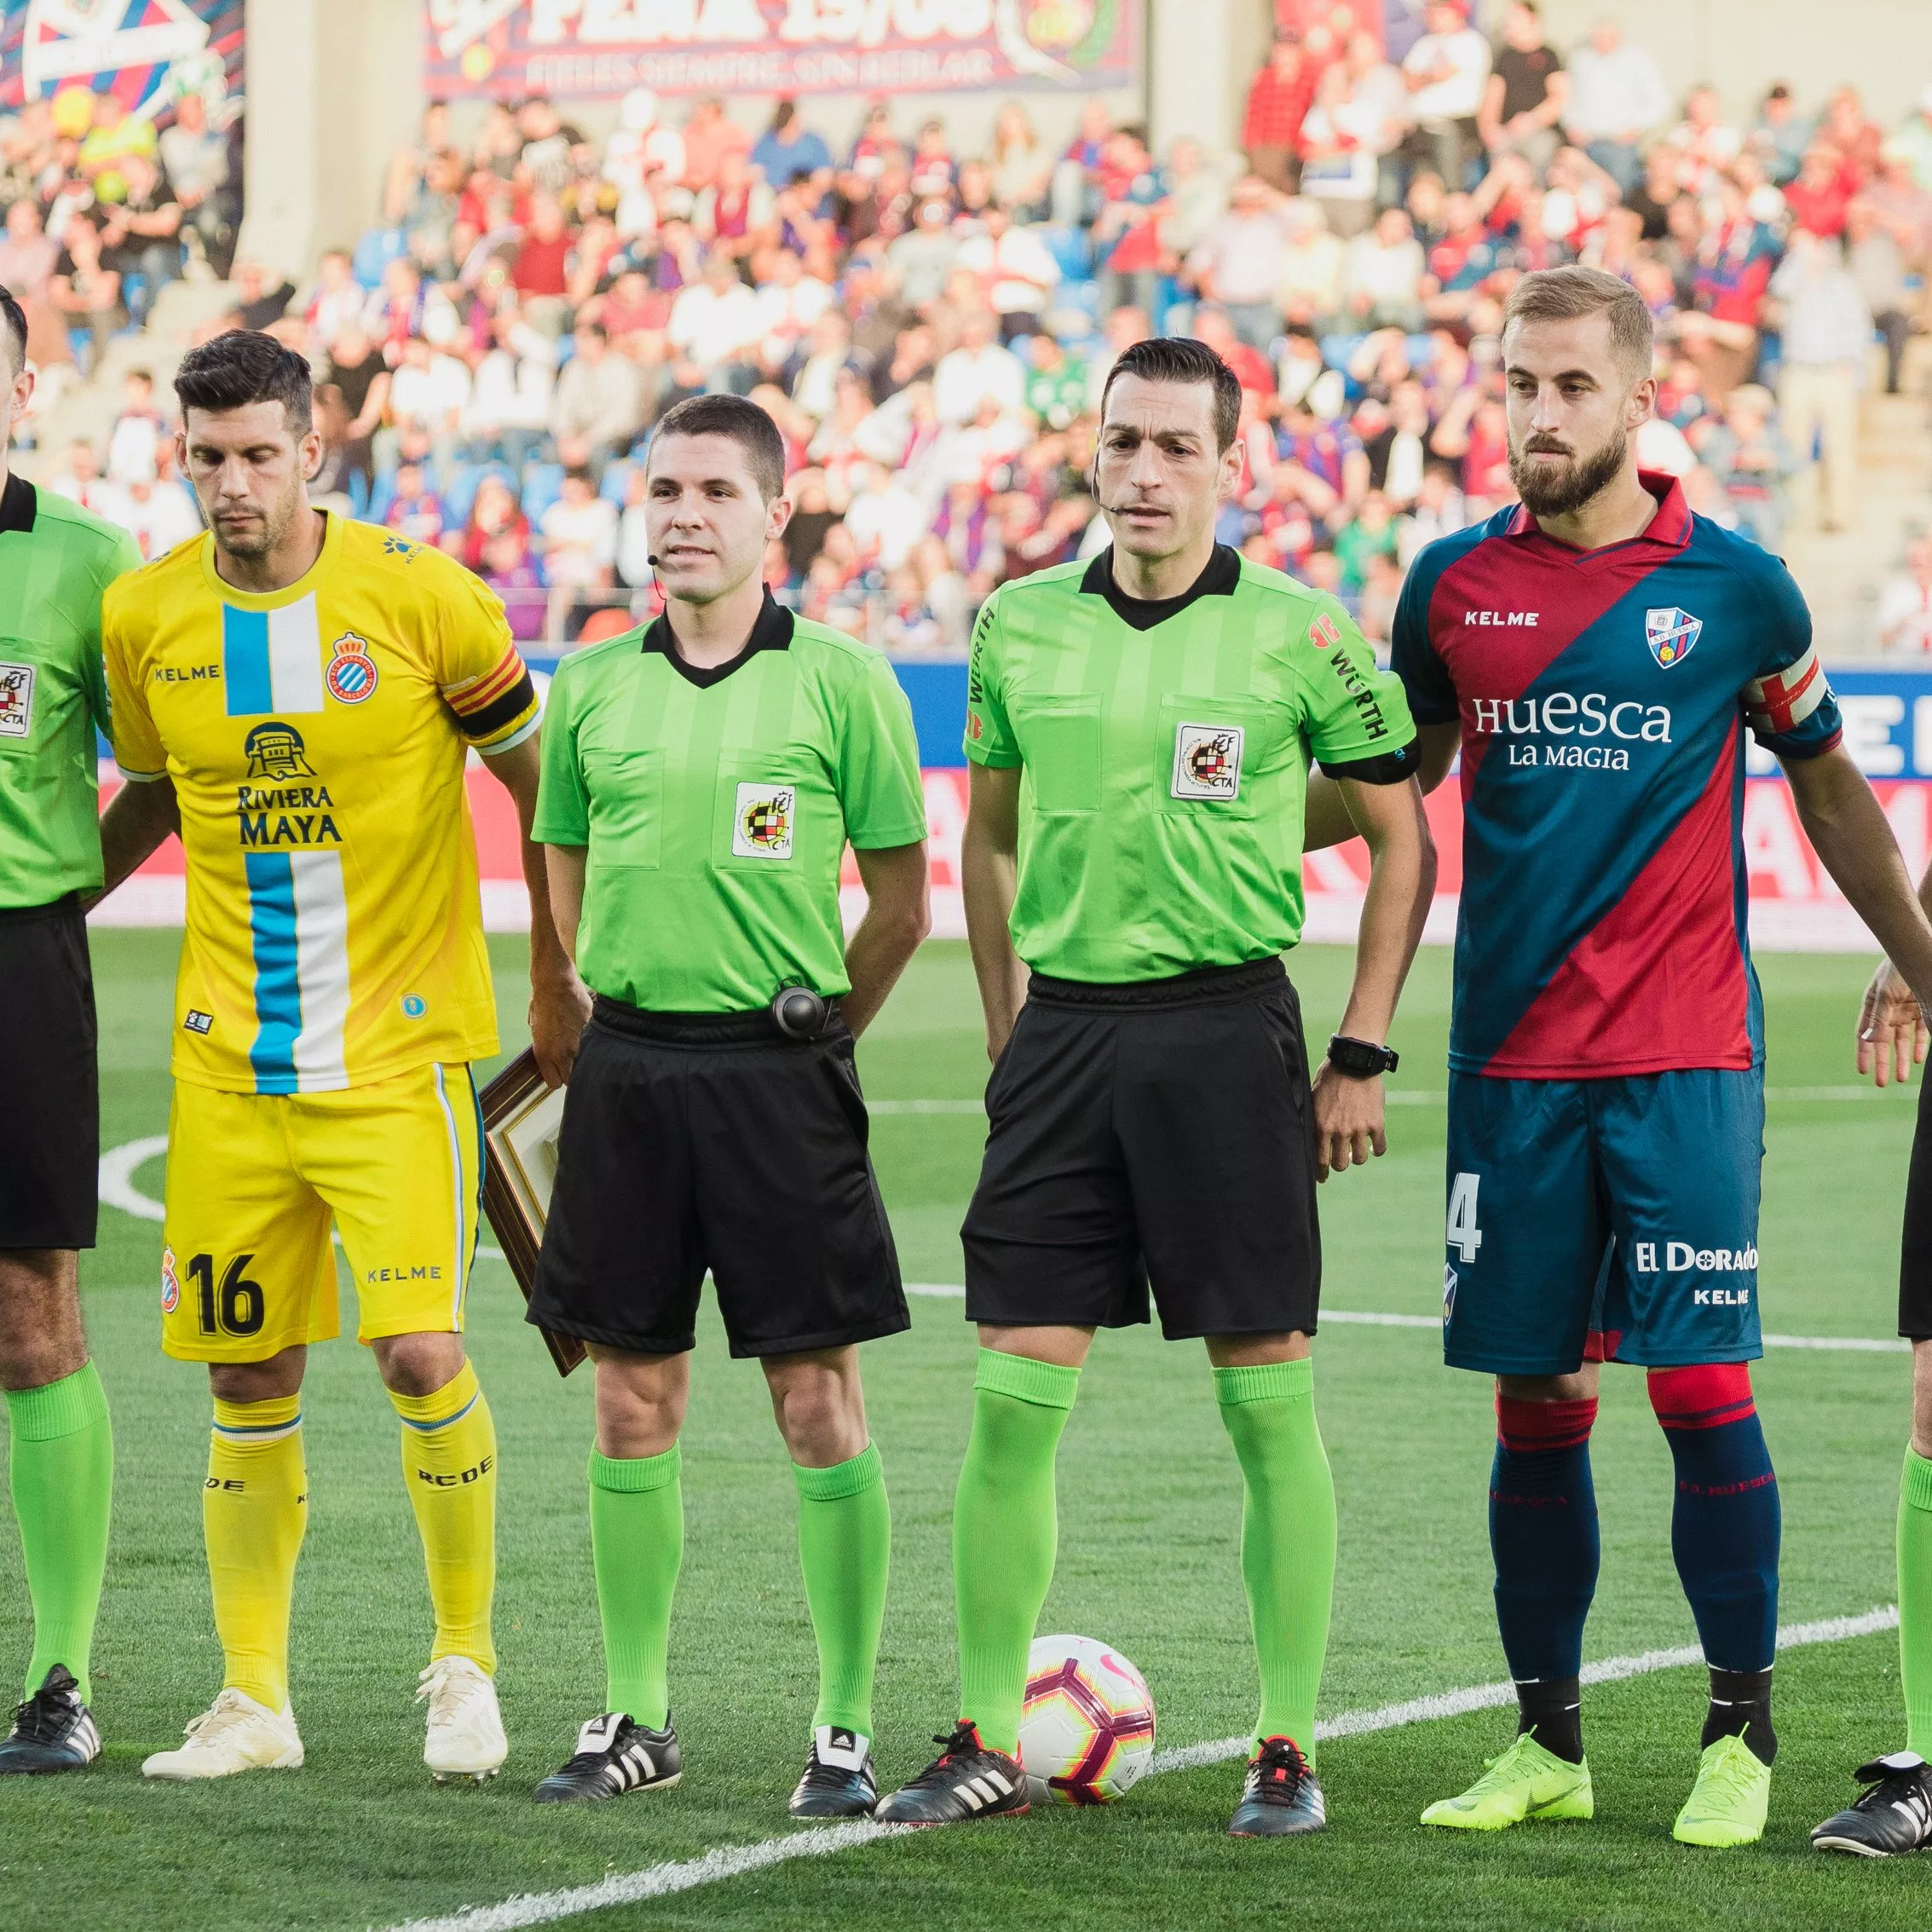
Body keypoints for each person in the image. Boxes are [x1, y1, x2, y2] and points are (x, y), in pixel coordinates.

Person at [1365, 265, 1932, 1850]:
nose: (1535, 417)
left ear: (1633, 398)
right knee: (1538, 1398)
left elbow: (1827, 793)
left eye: (1564, 388)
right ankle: (1546, 1741)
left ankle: (1736, 1733)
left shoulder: (1741, 592)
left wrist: (1920, 958)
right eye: (1515, 387)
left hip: (1685, 1055)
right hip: (1511, 1065)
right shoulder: (1449, 591)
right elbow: (1385, 810)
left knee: (1696, 1384)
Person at [874, 337, 1433, 1837]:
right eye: (1122, 443)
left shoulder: (1301, 638)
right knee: (1009, 1394)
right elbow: (982, 839)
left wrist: (1361, 1045)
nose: (1143, 472)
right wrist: (1004, 1020)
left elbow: (1403, 839)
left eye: (1177, 447)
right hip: (1063, 1038)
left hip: (1226, 1036)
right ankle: (988, 1728)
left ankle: (1285, 1742)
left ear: (1228, 466)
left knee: (1263, 1404)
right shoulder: (1015, 625)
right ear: (1094, 454)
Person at [93, 330, 586, 1784]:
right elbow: (153, 794)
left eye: (257, 454)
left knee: (419, 1346)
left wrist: (559, 966)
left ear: (314, 448)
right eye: (206, 458)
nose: (231, 485)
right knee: (245, 1375)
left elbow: (535, 781)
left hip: (398, 1059)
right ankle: (255, 1699)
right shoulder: (144, 619)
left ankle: (465, 1664)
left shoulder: (422, 597)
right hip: (227, 1070)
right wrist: (52, 906)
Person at [525, 394, 929, 1812]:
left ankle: (843, 1724)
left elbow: (899, 897)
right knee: (630, 1399)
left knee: (815, 1399)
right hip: (630, 1072)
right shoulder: (590, 684)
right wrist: (558, 986)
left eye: (712, 491)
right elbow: (555, 849)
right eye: (663, 490)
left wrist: (828, 1030)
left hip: (778, 1075)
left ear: (774, 512)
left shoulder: (843, 681)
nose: (682, 515)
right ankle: (636, 1710)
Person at [0, 286, 142, 1775]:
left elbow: (154, 769)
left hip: (15, 958)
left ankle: (61, 1676)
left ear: (25, 390)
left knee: (31, 1311)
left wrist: (54, 898)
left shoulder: (90, 563)